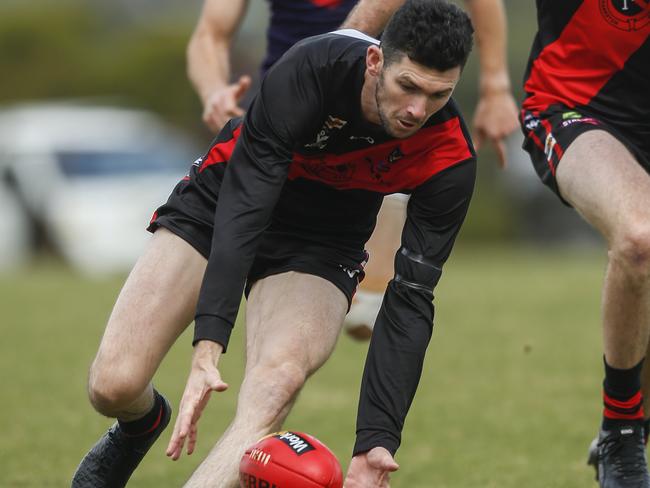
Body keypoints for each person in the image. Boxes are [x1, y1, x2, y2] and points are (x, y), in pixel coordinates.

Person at [71, 0, 475, 486]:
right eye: (407, 86)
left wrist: (375, 442)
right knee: (113, 385)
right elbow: (244, 210)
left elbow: (410, 300)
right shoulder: (313, 68)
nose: (417, 110)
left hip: (323, 239)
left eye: (437, 94)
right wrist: (208, 345)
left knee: (276, 382)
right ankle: (143, 422)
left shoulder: (449, 154)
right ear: (375, 62)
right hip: (223, 201)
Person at [187, 0, 519, 340]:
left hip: (372, 117)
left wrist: (496, 86)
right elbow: (210, 34)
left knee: (346, 320)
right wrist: (214, 91)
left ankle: (379, 226)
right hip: (285, 109)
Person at [519, 1, 650, 486]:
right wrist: (348, 40)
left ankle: (634, 427)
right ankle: (621, 432)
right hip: (574, 107)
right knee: (639, 236)